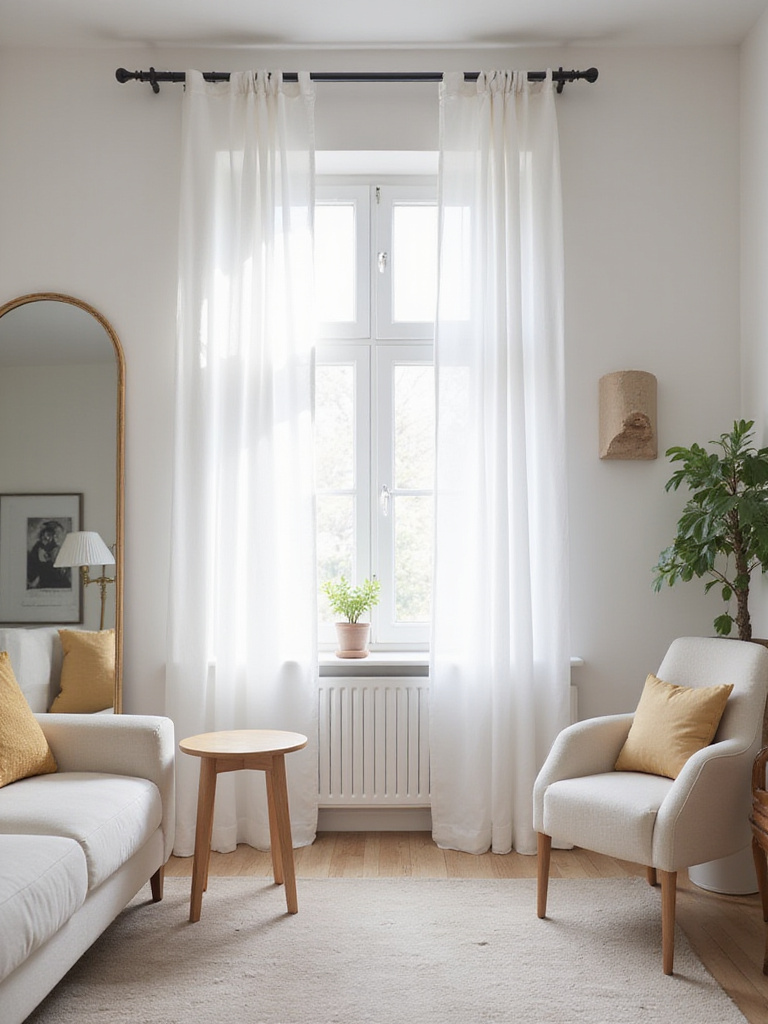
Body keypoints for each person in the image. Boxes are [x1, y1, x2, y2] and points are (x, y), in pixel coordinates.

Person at [27, 520, 70, 589]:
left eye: (49, 535)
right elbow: (33, 567)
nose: (46, 538)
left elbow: (62, 571)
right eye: (45, 535)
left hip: (56, 583)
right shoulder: (37, 547)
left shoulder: (57, 549)